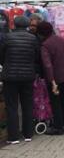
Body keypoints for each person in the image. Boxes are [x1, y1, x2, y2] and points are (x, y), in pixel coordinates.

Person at [0, 16, 40, 144]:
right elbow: (37, 57)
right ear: (27, 25)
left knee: (11, 106)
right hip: (28, 76)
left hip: (10, 77)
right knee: (27, 105)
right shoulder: (33, 38)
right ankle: (28, 134)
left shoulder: (7, 37)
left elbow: (1, 56)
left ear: (14, 25)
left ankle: (13, 137)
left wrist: (6, 64)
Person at [37, 22, 64, 135]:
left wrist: (52, 81)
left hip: (56, 78)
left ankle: (58, 127)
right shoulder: (62, 40)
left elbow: (47, 65)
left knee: (56, 102)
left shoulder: (45, 45)